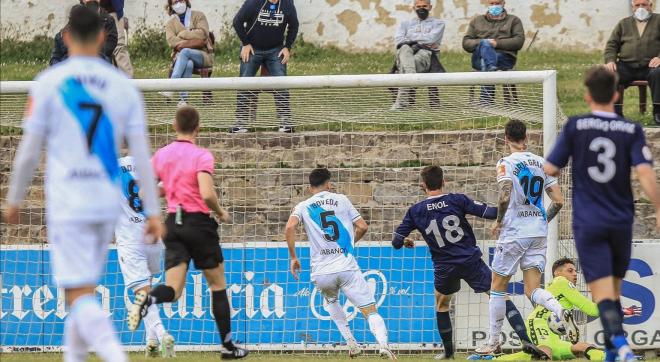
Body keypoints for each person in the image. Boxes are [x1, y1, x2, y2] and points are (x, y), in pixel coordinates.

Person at [3, 5, 161, 362]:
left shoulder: (49, 83)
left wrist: (15, 199)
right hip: (107, 203)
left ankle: (115, 356)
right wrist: (152, 211)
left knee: (78, 297)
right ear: (104, 37)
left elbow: (29, 152)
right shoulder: (123, 87)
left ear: (67, 36)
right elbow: (142, 153)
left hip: (69, 202)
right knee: (81, 293)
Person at [544, 66, 659, 362]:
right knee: (614, 291)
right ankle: (613, 355)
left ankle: (620, 346)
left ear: (586, 95)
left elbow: (551, 168)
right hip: (620, 220)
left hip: (589, 221)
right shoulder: (631, 129)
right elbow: (646, 174)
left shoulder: (576, 126)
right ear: (617, 94)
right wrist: (658, 208)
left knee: (603, 294)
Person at [127, 106, 249, 360]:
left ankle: (148, 299)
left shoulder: (162, 155)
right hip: (198, 224)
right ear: (198, 127)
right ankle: (227, 347)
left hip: (173, 224)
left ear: (174, 126)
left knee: (173, 289)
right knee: (217, 285)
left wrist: (168, 189)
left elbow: (142, 191)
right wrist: (219, 211)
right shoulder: (201, 156)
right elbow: (206, 193)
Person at [392, 165, 544, 360]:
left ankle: (448, 353)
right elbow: (490, 212)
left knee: (442, 304)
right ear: (444, 182)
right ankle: (525, 340)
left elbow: (396, 242)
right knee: (499, 296)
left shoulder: (415, 211)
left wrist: (404, 241)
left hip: (444, 266)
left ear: (423, 185)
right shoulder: (457, 200)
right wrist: (516, 209)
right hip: (470, 261)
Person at [476, 119, 572, 356]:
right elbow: (559, 200)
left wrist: (498, 220)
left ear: (505, 138)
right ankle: (557, 308)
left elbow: (504, 195)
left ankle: (493, 341)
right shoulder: (542, 162)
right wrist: (542, 220)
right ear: (526, 137)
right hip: (538, 232)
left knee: (497, 287)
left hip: (515, 232)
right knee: (532, 289)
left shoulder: (506, 162)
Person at [285, 168, 396, 359]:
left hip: (321, 272)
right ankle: (384, 345)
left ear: (310, 187)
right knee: (370, 310)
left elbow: (289, 226)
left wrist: (294, 257)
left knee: (330, 302)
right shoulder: (342, 200)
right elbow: (362, 226)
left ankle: (352, 344)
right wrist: (348, 245)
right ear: (329, 183)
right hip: (346, 267)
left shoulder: (303, 206)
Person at [115, 156, 174, 357]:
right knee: (147, 286)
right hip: (152, 235)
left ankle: (161, 332)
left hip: (130, 239)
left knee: (142, 292)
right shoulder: (149, 163)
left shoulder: (111, 168)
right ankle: (151, 342)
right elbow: (166, 186)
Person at [494, 258, 604, 361]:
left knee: (586, 347)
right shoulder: (561, 282)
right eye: (570, 271)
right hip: (539, 324)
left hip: (554, 337)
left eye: (576, 271)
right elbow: (592, 310)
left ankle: (609, 358)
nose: (575, 274)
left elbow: (594, 309)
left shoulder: (556, 288)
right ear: (557, 273)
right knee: (545, 353)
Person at [231, 0, 299, 133]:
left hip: (275, 50)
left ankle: (285, 122)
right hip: (252, 48)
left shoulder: (288, 4)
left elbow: (294, 26)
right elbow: (237, 21)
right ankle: (241, 122)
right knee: (244, 81)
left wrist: (287, 47)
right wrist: (245, 44)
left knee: (281, 82)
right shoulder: (253, 2)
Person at [604, 0, 660, 124]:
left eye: (644, 4)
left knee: (658, 74)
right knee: (611, 74)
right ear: (632, 7)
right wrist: (610, 60)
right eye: (637, 5)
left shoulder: (658, 21)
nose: (641, 8)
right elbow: (612, 45)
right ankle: (615, 114)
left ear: (650, 6)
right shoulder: (623, 23)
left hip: (651, 66)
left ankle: (658, 112)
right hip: (626, 65)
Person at [462, 0, 524, 104]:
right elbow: (466, 43)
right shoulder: (477, 20)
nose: (494, 6)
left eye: (497, 3)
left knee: (485, 62)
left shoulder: (514, 20)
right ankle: (491, 67)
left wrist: (496, 43)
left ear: (503, 3)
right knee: (485, 45)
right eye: (492, 4)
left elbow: (518, 41)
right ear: (487, 4)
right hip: (478, 57)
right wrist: (483, 42)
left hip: (505, 58)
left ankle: (486, 103)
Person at [391, 0, 445, 110]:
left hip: (427, 54)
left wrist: (410, 40)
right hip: (407, 52)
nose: (421, 8)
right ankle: (412, 76)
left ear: (430, 7)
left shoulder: (439, 23)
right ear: (414, 8)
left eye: (424, 6)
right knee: (404, 48)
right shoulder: (405, 24)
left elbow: (431, 38)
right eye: (418, 6)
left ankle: (401, 103)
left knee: (404, 64)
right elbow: (398, 40)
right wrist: (419, 41)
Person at [163, 0, 214, 106]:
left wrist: (182, 34)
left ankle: (171, 86)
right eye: (175, 2)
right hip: (181, 57)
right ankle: (183, 100)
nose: (178, 4)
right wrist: (193, 38)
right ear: (171, 6)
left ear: (186, 1)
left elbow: (203, 34)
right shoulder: (170, 24)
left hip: (202, 55)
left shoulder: (199, 16)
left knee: (185, 51)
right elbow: (172, 42)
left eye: (180, 0)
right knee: (188, 63)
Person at [49, 0, 118, 66]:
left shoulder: (108, 20)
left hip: (98, 61)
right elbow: (55, 57)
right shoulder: (64, 32)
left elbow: (111, 43)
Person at [100, 0, 134, 77]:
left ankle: (128, 80)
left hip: (113, 11)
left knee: (119, 47)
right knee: (93, 46)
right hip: (92, 10)